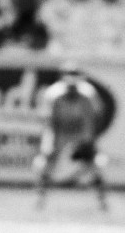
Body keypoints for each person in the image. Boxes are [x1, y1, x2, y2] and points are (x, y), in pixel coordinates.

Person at [33, 62, 108, 211]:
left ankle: (102, 202)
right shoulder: (54, 93)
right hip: (59, 130)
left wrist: (88, 140)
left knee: (93, 165)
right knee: (46, 163)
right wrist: (51, 142)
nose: (72, 80)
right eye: (69, 76)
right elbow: (48, 118)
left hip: (80, 131)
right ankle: (40, 200)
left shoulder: (88, 93)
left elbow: (95, 116)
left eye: (75, 76)